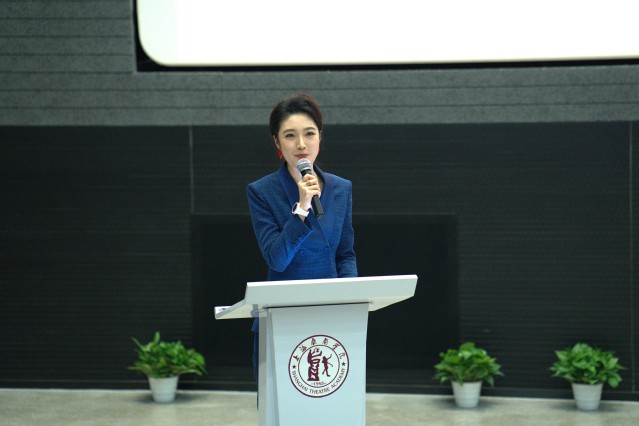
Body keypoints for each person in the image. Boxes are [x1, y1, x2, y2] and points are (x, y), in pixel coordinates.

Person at [246, 93, 358, 381]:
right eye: (290, 135)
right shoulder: (262, 191)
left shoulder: (341, 188)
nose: (301, 144)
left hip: (331, 317)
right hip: (282, 318)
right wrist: (302, 209)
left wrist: (351, 301)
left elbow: (345, 254)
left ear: (320, 136)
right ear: (277, 142)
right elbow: (277, 259)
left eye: (309, 133)